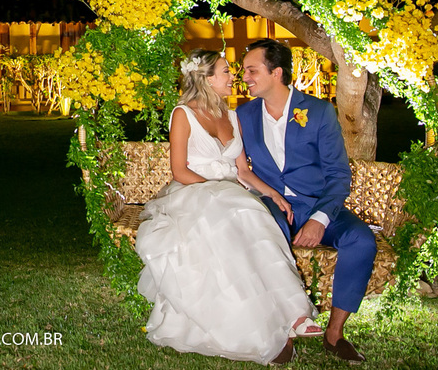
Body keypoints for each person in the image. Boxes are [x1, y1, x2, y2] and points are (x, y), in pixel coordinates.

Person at [136, 49, 320, 366]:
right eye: (225, 72)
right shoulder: (183, 114)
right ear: (206, 79)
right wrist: (217, 192)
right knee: (236, 218)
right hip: (194, 191)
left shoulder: (231, 115)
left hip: (231, 193)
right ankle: (265, 327)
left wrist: (273, 194)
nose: (232, 78)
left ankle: (293, 315)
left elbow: (243, 171)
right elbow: (179, 170)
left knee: (257, 222)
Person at [238, 38, 376, 365]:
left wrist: (319, 219)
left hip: (317, 203)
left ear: (277, 73)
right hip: (272, 204)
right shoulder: (242, 114)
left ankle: (334, 333)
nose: (244, 77)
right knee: (268, 233)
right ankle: (285, 332)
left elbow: (339, 174)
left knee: (361, 239)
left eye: (251, 70)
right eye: (244, 71)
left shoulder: (318, 111)